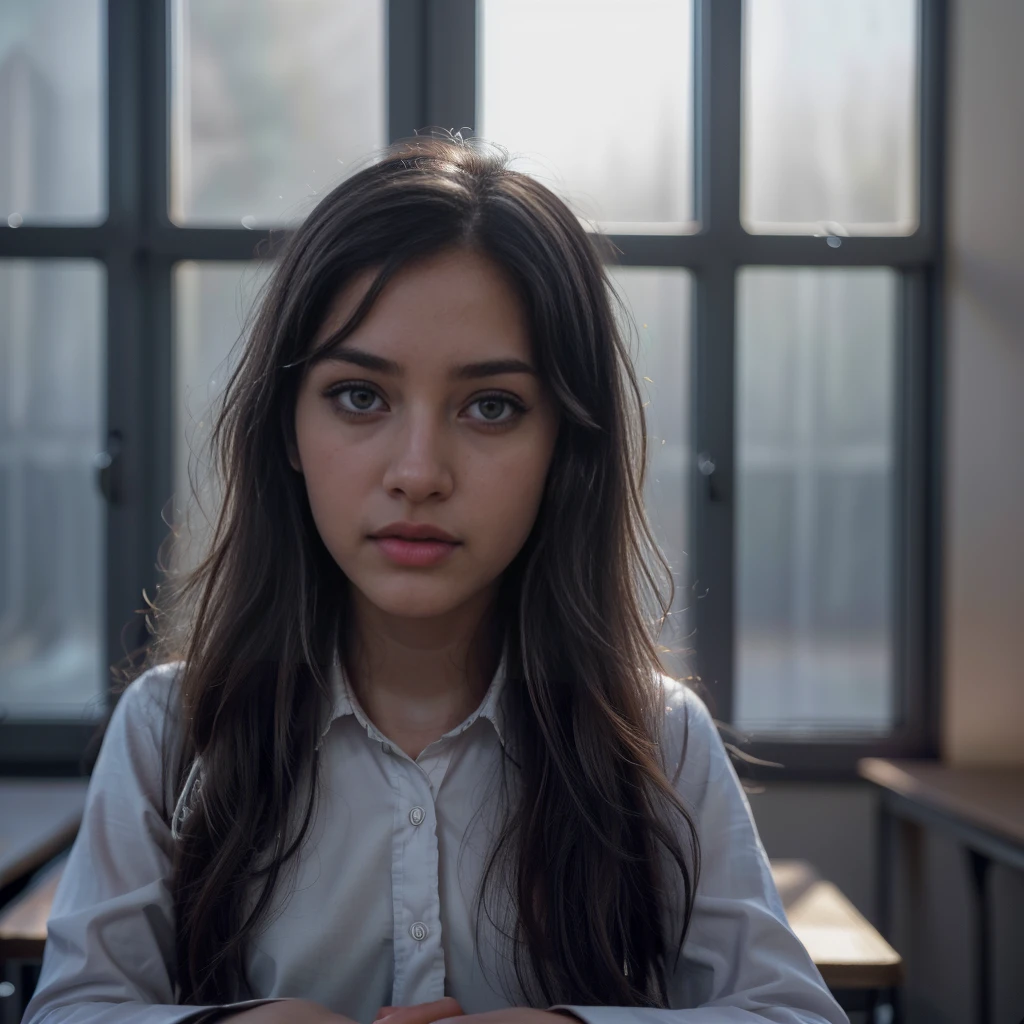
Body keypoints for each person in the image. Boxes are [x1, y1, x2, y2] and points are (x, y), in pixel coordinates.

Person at [23, 136, 848, 1024]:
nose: (419, 472)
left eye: (491, 407)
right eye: (360, 396)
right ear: (288, 434)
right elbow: (71, 1009)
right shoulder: (172, 731)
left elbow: (791, 1012)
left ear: (563, 450)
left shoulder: (653, 738)